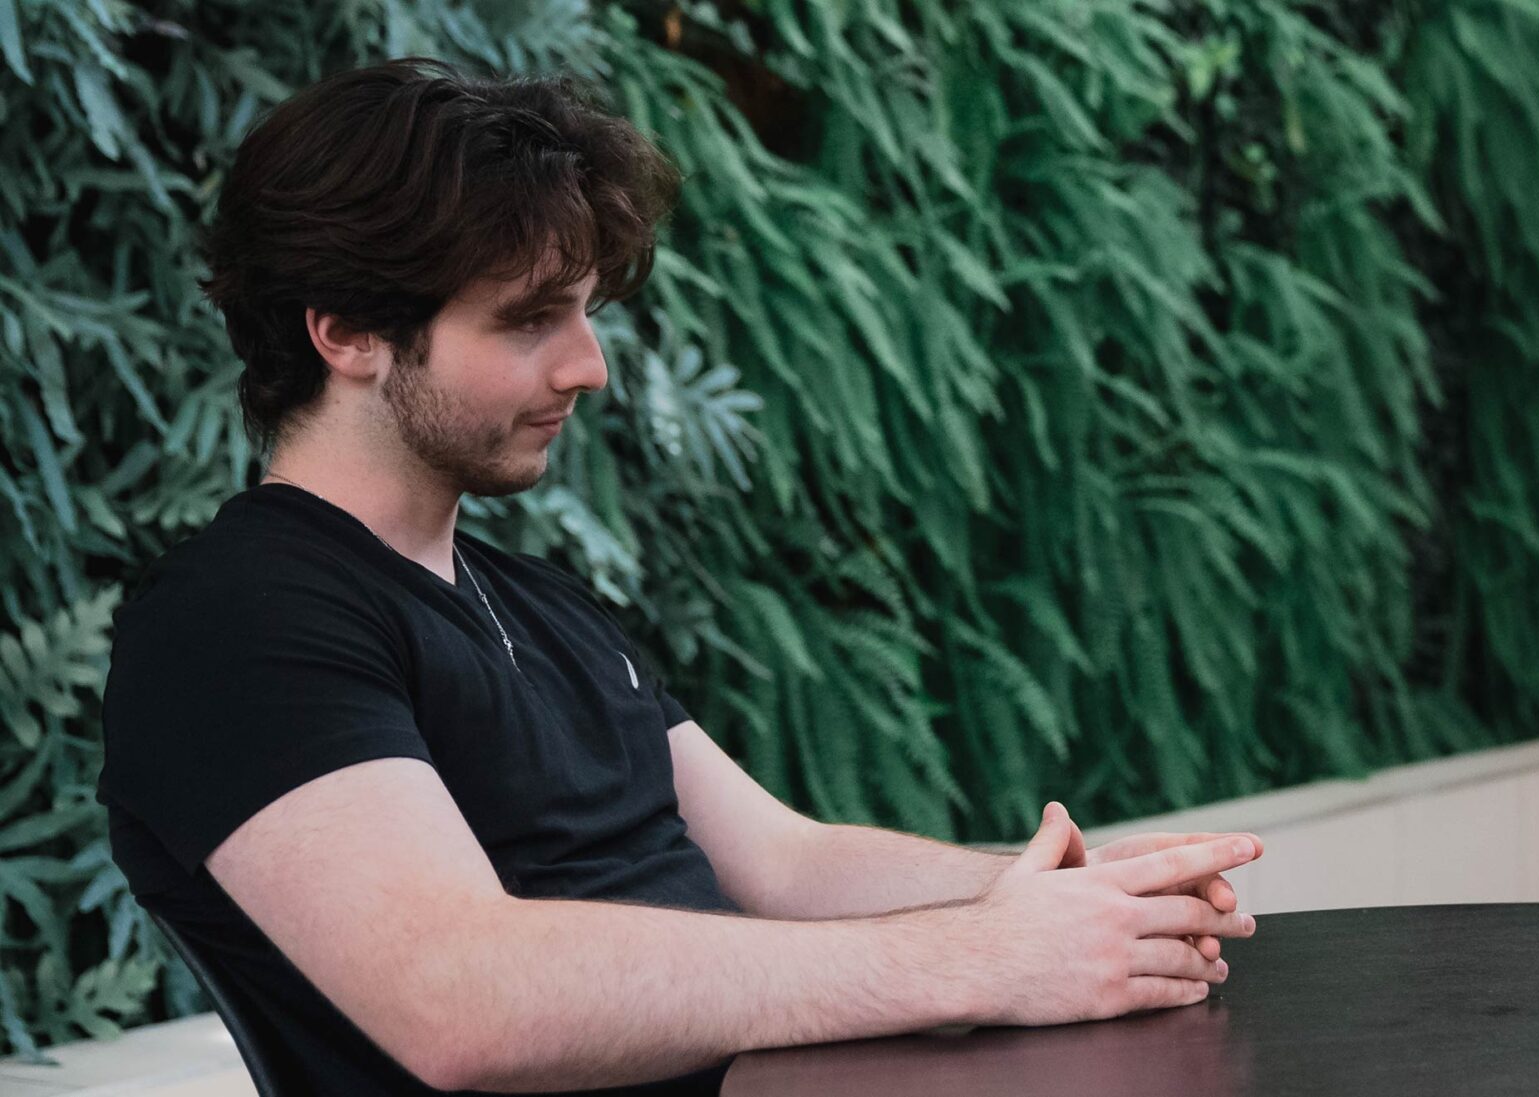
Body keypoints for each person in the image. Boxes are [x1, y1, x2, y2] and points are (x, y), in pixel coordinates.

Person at [99, 59, 1261, 1095]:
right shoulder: (235, 623)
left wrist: (1070, 896)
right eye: (528, 319)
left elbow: (782, 862)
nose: (588, 366)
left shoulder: (538, 605)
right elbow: (461, 1002)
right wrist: (978, 957)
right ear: (346, 331)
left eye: (587, 314)